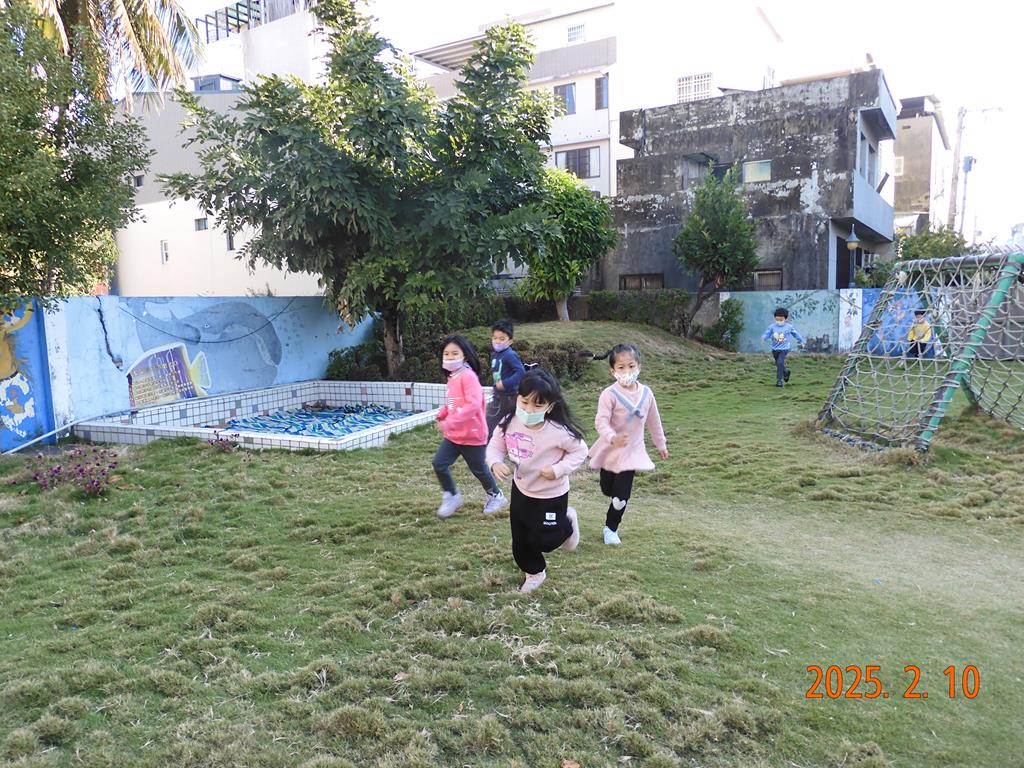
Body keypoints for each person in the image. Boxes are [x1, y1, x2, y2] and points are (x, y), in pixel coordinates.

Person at [486, 368, 588, 594]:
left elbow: (580, 451)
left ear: (549, 407)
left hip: (551, 494)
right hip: (521, 489)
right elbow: (495, 446)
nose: (528, 410)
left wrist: (558, 470)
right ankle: (534, 572)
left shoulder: (558, 431)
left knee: (546, 541)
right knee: (521, 539)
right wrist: (495, 462)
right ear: (517, 398)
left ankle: (568, 522)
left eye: (537, 405)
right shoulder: (508, 422)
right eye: (524, 402)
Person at [587, 344, 668, 545]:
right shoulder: (609, 394)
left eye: (631, 366)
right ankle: (610, 492)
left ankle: (611, 528)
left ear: (639, 366)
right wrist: (611, 437)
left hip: (632, 452)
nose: (627, 372)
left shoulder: (647, 393)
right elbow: (601, 421)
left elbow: (654, 421)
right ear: (613, 371)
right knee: (608, 489)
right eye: (621, 367)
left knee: (620, 497)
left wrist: (661, 444)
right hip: (610, 450)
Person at [433, 335, 508, 518]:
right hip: (453, 436)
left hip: (472, 435)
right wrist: (443, 413)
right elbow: (452, 402)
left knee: (479, 470)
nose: (450, 357)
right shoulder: (453, 377)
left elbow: (473, 405)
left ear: (464, 356)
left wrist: (450, 422)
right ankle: (452, 495)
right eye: (446, 354)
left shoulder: (468, 377)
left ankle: (496, 496)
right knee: (439, 463)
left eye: (455, 353)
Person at [487, 320, 526, 439]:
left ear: (510, 341)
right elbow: (498, 374)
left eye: (502, 339)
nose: (497, 341)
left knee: (491, 423)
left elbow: (521, 372)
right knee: (498, 423)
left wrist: (505, 383)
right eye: (495, 338)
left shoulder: (510, 355)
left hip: (509, 397)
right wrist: (495, 387)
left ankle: (487, 445)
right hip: (499, 395)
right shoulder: (495, 354)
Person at [761, 307, 805, 387]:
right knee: (778, 363)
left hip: (784, 349)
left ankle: (780, 381)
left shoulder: (789, 327)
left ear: (786, 319)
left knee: (780, 362)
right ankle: (785, 371)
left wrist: (801, 341)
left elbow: (796, 334)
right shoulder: (772, 327)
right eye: (777, 320)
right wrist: (764, 338)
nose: (779, 322)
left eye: (781, 320)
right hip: (775, 348)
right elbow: (767, 333)